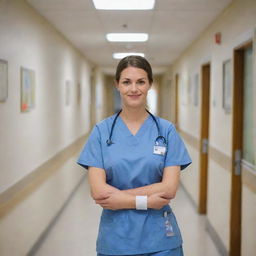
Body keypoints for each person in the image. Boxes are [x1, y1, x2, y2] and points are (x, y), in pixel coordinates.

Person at [77, 55, 192, 256]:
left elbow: (169, 188)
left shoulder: (166, 131)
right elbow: (98, 192)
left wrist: (117, 197)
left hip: (161, 239)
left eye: (141, 81)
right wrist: (145, 202)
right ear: (117, 85)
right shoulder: (101, 132)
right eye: (126, 82)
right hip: (116, 240)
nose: (134, 88)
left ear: (149, 85)